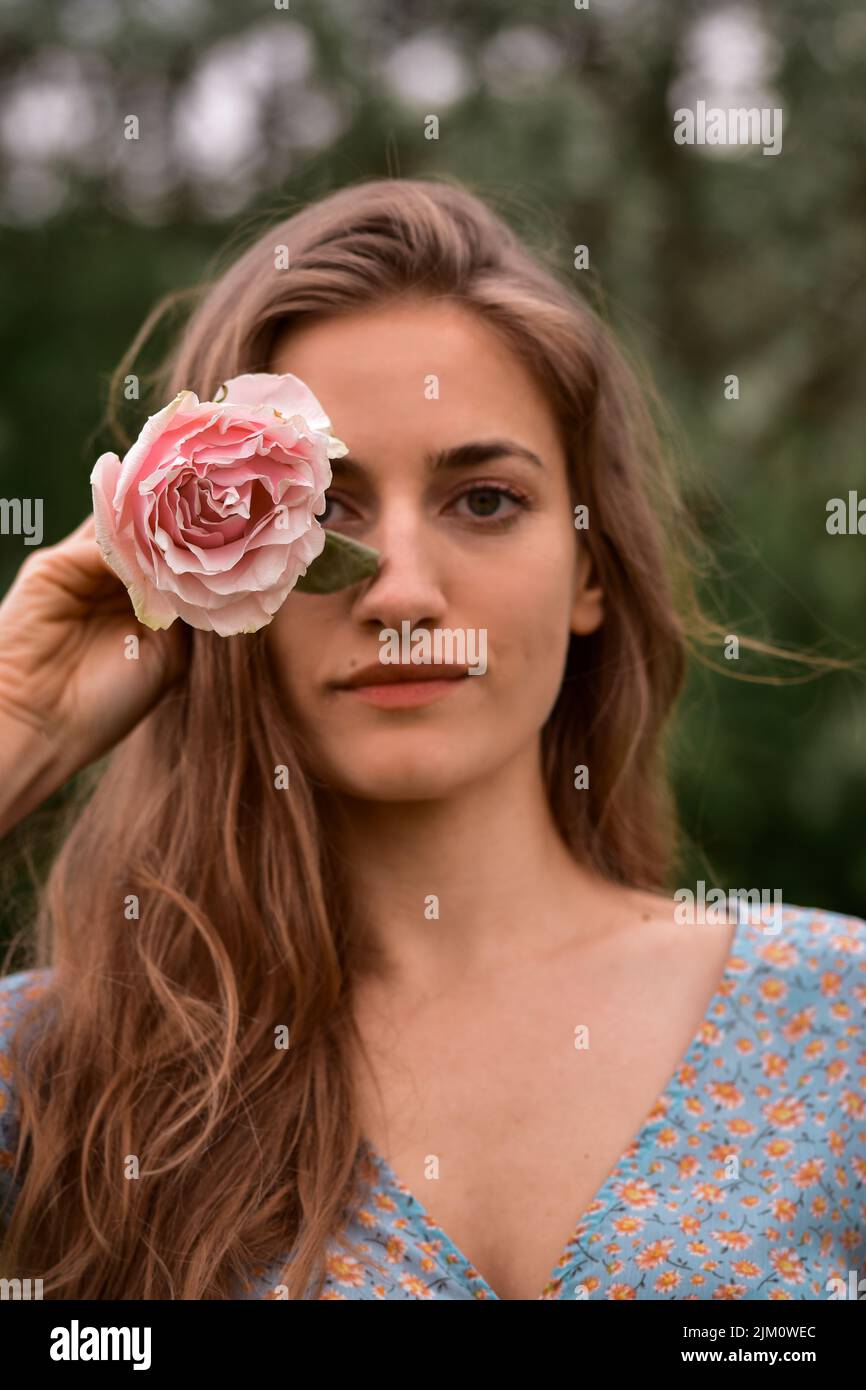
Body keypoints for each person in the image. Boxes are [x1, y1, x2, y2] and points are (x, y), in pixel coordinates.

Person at [0, 177, 863, 1301]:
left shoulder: (837, 1023)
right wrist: (18, 727)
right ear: (209, 578)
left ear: (590, 568)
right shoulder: (54, 1076)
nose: (398, 591)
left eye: (484, 500)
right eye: (318, 515)